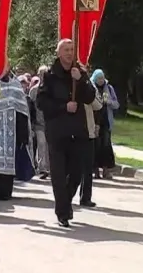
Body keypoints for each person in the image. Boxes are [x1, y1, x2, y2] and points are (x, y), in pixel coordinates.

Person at [36, 38, 96, 227]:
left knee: (77, 173)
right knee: (59, 175)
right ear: (59, 53)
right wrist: (63, 106)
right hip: (57, 131)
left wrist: (82, 80)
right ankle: (63, 212)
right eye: (66, 50)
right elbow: (41, 102)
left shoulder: (80, 73)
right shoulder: (49, 75)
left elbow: (90, 97)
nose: (70, 53)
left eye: (72, 49)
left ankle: (64, 201)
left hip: (78, 131)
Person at [90, 69, 119, 179]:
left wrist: (109, 102)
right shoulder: (92, 88)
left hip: (106, 121)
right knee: (96, 145)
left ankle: (106, 170)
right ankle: (95, 170)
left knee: (106, 145)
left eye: (102, 78)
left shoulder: (109, 88)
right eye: (98, 78)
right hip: (94, 120)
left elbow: (116, 104)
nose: (101, 80)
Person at [77, 85, 103, 207]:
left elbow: (98, 104)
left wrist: (87, 89)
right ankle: (64, 196)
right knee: (70, 167)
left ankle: (85, 197)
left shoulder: (89, 86)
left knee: (87, 168)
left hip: (88, 133)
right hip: (70, 132)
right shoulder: (65, 83)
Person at [29, 66, 50, 179]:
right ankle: (42, 168)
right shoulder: (33, 90)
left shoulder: (52, 89)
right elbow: (30, 107)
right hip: (38, 123)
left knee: (48, 145)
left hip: (50, 122)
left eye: (45, 73)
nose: (43, 76)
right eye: (41, 74)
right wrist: (31, 123)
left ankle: (47, 167)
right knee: (41, 143)